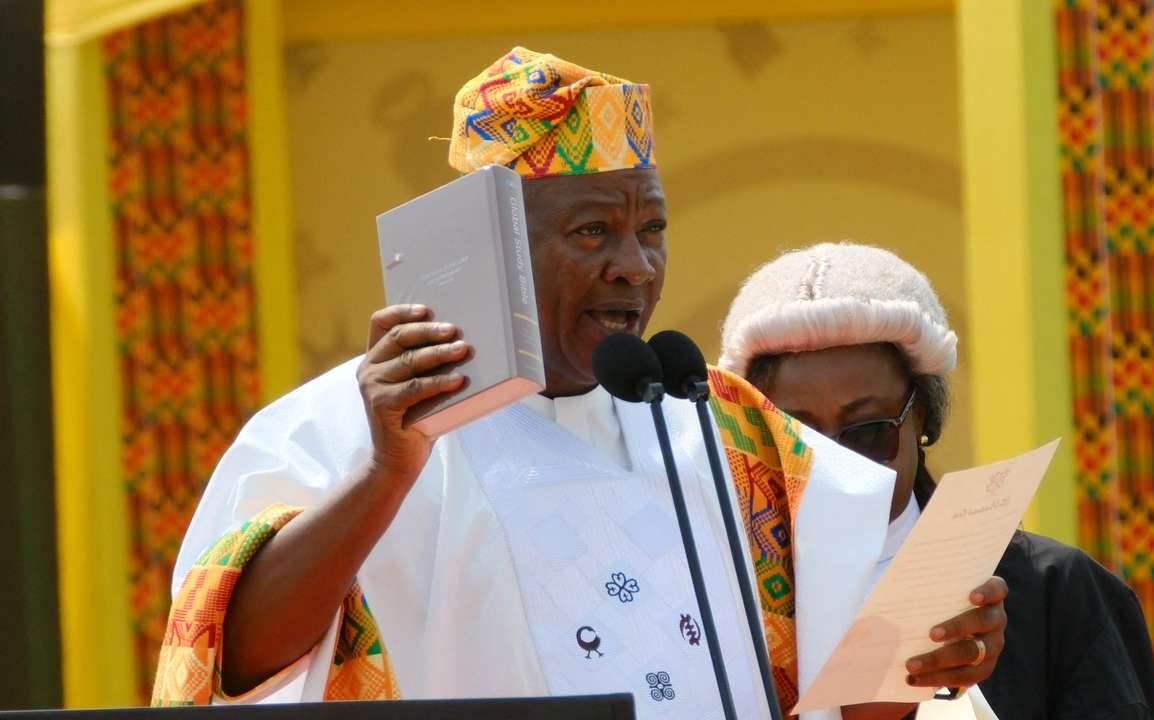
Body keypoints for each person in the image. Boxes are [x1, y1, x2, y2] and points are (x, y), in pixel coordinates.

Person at [151, 50, 1008, 720]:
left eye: (652, 229)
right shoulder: (345, 425)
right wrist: (387, 472)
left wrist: (931, 661)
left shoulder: (726, 425)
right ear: (492, 244)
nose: (634, 268)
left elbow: (836, 701)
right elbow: (235, 661)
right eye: (594, 230)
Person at [719, 242, 1154, 720]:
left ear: (922, 419)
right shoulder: (718, 602)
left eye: (867, 431)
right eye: (800, 439)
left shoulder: (1055, 594)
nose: (834, 466)